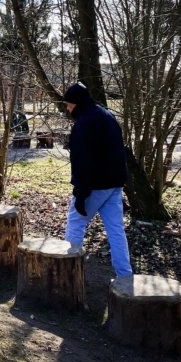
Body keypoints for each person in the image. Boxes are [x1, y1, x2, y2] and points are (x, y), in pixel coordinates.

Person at [63, 82, 133, 277]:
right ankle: (125, 277)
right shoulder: (107, 115)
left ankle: (69, 273)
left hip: (95, 185)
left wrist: (81, 192)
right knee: (116, 230)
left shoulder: (83, 124)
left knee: (76, 222)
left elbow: (82, 161)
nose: (67, 109)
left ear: (77, 103)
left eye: (69, 105)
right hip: (115, 183)